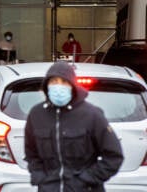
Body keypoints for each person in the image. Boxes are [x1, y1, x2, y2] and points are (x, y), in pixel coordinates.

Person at [24, 61, 123, 192]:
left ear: (72, 85)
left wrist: (86, 180)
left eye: (64, 82)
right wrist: (40, 177)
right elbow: (31, 153)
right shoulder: (36, 114)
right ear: (47, 86)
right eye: (54, 81)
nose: (58, 86)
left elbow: (114, 156)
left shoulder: (92, 115)